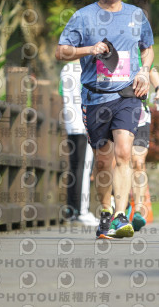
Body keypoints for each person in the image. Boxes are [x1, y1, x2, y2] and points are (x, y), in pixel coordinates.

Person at [55, 0, 154, 239]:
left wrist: (144, 72)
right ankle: (106, 212)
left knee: (124, 152)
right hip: (96, 97)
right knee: (103, 161)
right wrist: (90, 49)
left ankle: (121, 215)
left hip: (128, 95)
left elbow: (148, 48)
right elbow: (60, 51)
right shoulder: (83, 17)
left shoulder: (136, 15)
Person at [59, 60, 100, 226]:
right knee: (84, 168)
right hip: (85, 124)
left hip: (71, 123)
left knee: (75, 166)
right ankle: (82, 211)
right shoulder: (89, 67)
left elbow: (61, 92)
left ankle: (72, 210)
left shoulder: (66, 68)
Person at [129, 66, 159, 231]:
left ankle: (138, 210)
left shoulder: (139, 45)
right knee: (117, 161)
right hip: (112, 111)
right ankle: (118, 207)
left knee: (138, 162)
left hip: (139, 114)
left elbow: (150, 67)